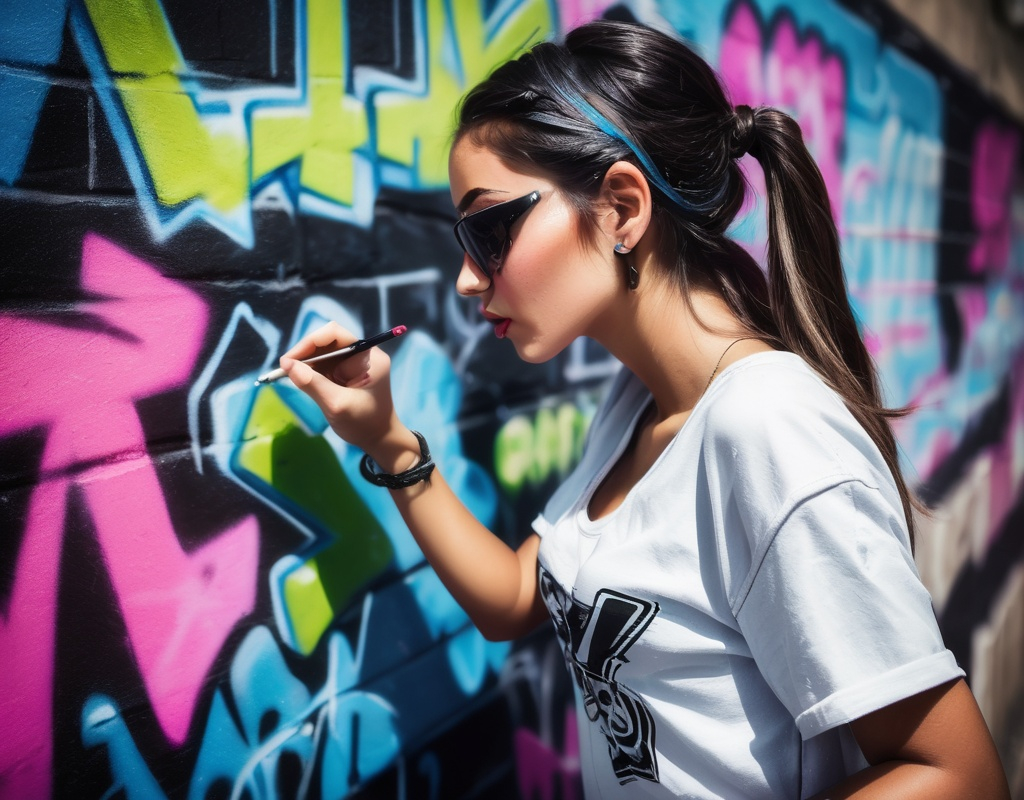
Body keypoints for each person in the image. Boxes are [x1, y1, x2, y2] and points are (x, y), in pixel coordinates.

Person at [279, 19, 1010, 800]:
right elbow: (518, 599)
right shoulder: (642, 402)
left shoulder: (768, 429)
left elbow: (956, 776)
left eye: (486, 231)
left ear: (623, 207)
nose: (467, 278)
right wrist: (390, 444)